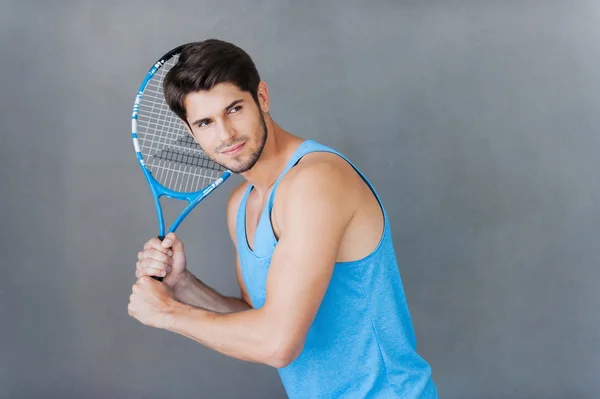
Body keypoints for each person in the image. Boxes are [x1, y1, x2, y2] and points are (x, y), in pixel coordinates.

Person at [128, 38, 438, 398]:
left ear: (262, 97)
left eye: (234, 109)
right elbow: (258, 316)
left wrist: (167, 312)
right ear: (191, 132)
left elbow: (277, 343)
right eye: (206, 122)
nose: (225, 135)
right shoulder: (242, 204)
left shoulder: (316, 182)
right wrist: (182, 286)